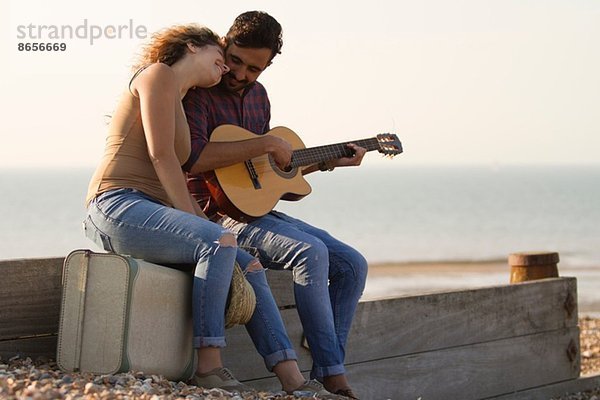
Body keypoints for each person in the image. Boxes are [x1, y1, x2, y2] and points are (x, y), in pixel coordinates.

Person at [83, 24, 340, 398]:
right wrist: (201, 224)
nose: (227, 71)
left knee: (246, 262)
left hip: (152, 210)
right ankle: (209, 367)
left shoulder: (183, 98)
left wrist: (206, 227)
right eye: (220, 60)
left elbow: (186, 168)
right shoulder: (158, 75)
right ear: (191, 46)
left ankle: (296, 383)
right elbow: (161, 156)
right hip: (115, 205)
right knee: (220, 242)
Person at [183, 11, 367, 400]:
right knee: (310, 251)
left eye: (254, 68)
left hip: (255, 213)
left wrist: (328, 162)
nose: (241, 73)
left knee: (352, 264)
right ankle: (335, 381)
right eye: (235, 60)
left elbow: (263, 176)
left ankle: (324, 363)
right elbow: (194, 157)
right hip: (212, 215)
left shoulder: (259, 97)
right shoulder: (199, 89)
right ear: (225, 43)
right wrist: (265, 143)